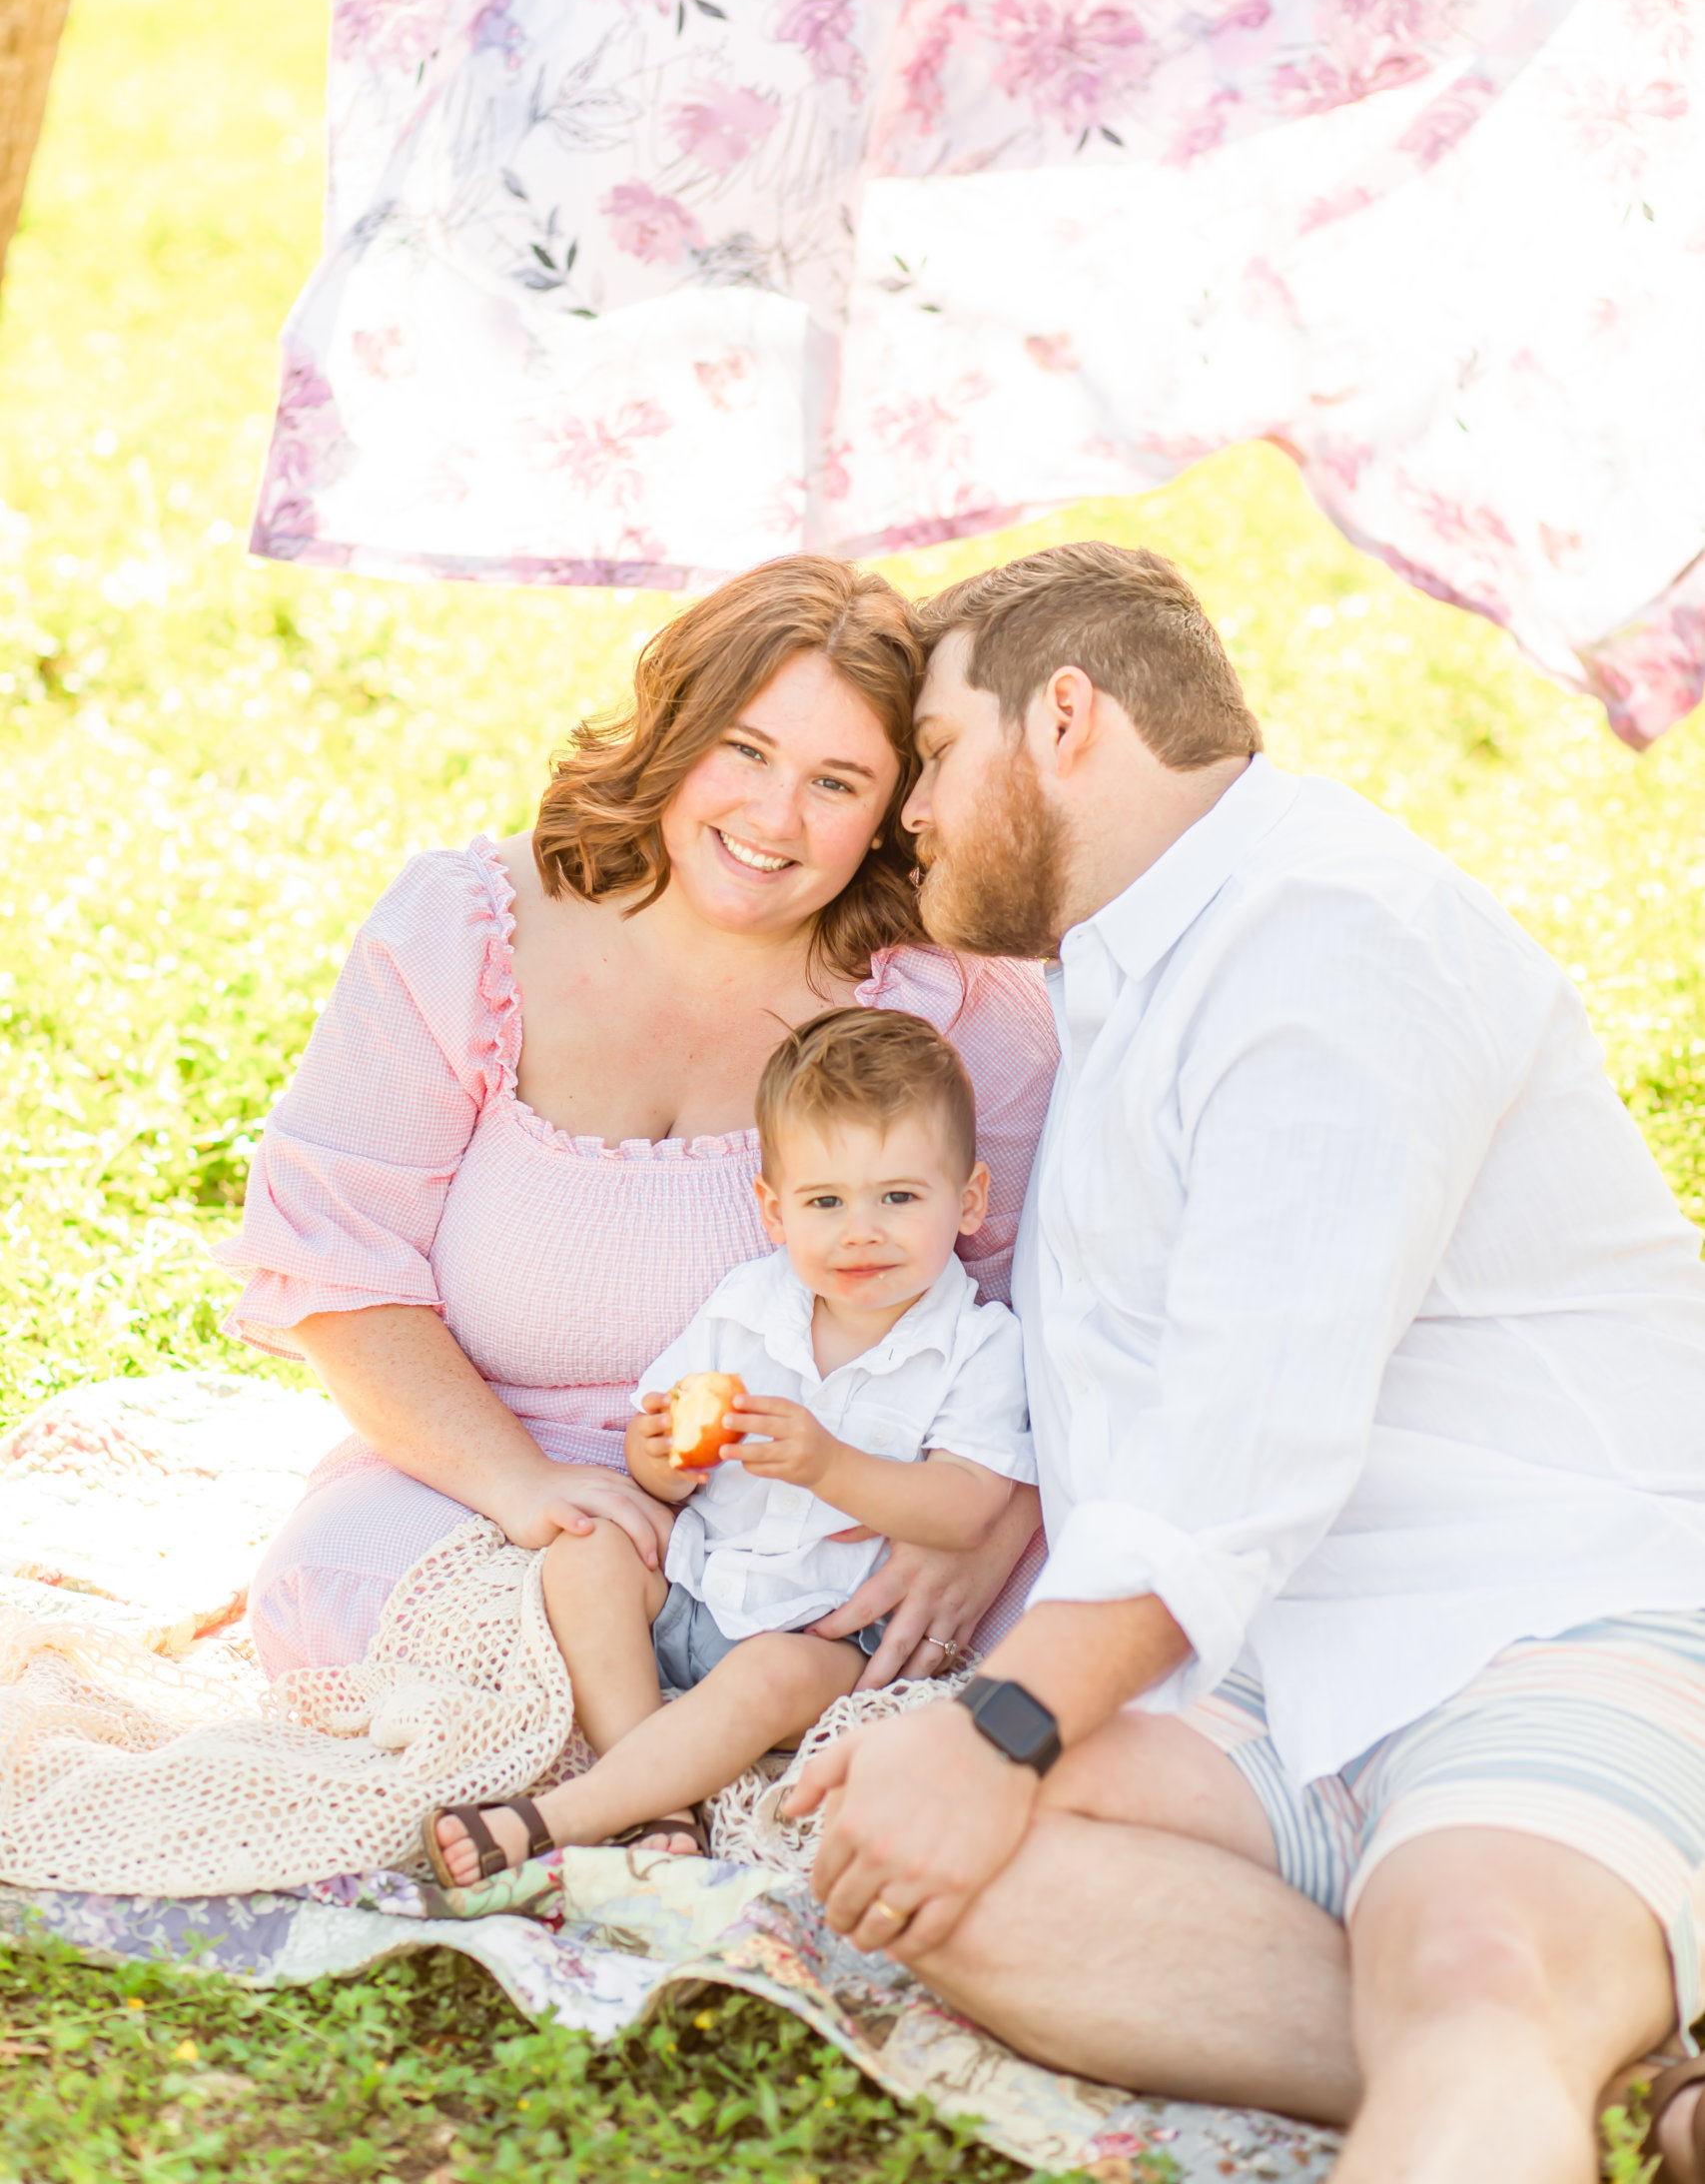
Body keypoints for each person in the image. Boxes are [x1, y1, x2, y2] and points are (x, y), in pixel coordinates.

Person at [785, 540, 1705, 2184]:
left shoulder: (1329, 948)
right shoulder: (1142, 960)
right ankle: (1609, 2077)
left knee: (1471, 1967)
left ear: (1065, 717)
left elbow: (1243, 1446)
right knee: (912, 1858)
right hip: (1269, 1664)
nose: (905, 816)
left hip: (1531, 1611)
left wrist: (998, 1721)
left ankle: (1502, 2023)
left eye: (930, 754)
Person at [222, 557, 1056, 1698]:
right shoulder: (468, 931)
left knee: (1042, 1654)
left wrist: (985, 1530)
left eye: (836, 780)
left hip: (842, 1508)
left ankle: (698, 1732)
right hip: (495, 1474)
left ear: (893, 809)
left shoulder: (951, 1000)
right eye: (746, 750)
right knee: (342, 1588)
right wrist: (523, 1487)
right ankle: (669, 1745)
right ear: (674, 731)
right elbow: (338, 1261)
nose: (773, 817)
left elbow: (1045, 1304)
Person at [425, 1006, 1032, 1888]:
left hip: (823, 1631)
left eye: (898, 1197)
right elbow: (659, 1465)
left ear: (968, 1199)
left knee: (764, 1676)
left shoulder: (980, 1347)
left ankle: (565, 1817)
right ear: (773, 1210)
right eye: (825, 1203)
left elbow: (968, 1506)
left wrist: (832, 1466)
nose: (860, 1231)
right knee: (584, 1555)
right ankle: (661, 1797)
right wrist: (662, 1456)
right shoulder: (749, 1303)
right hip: (703, 1581)